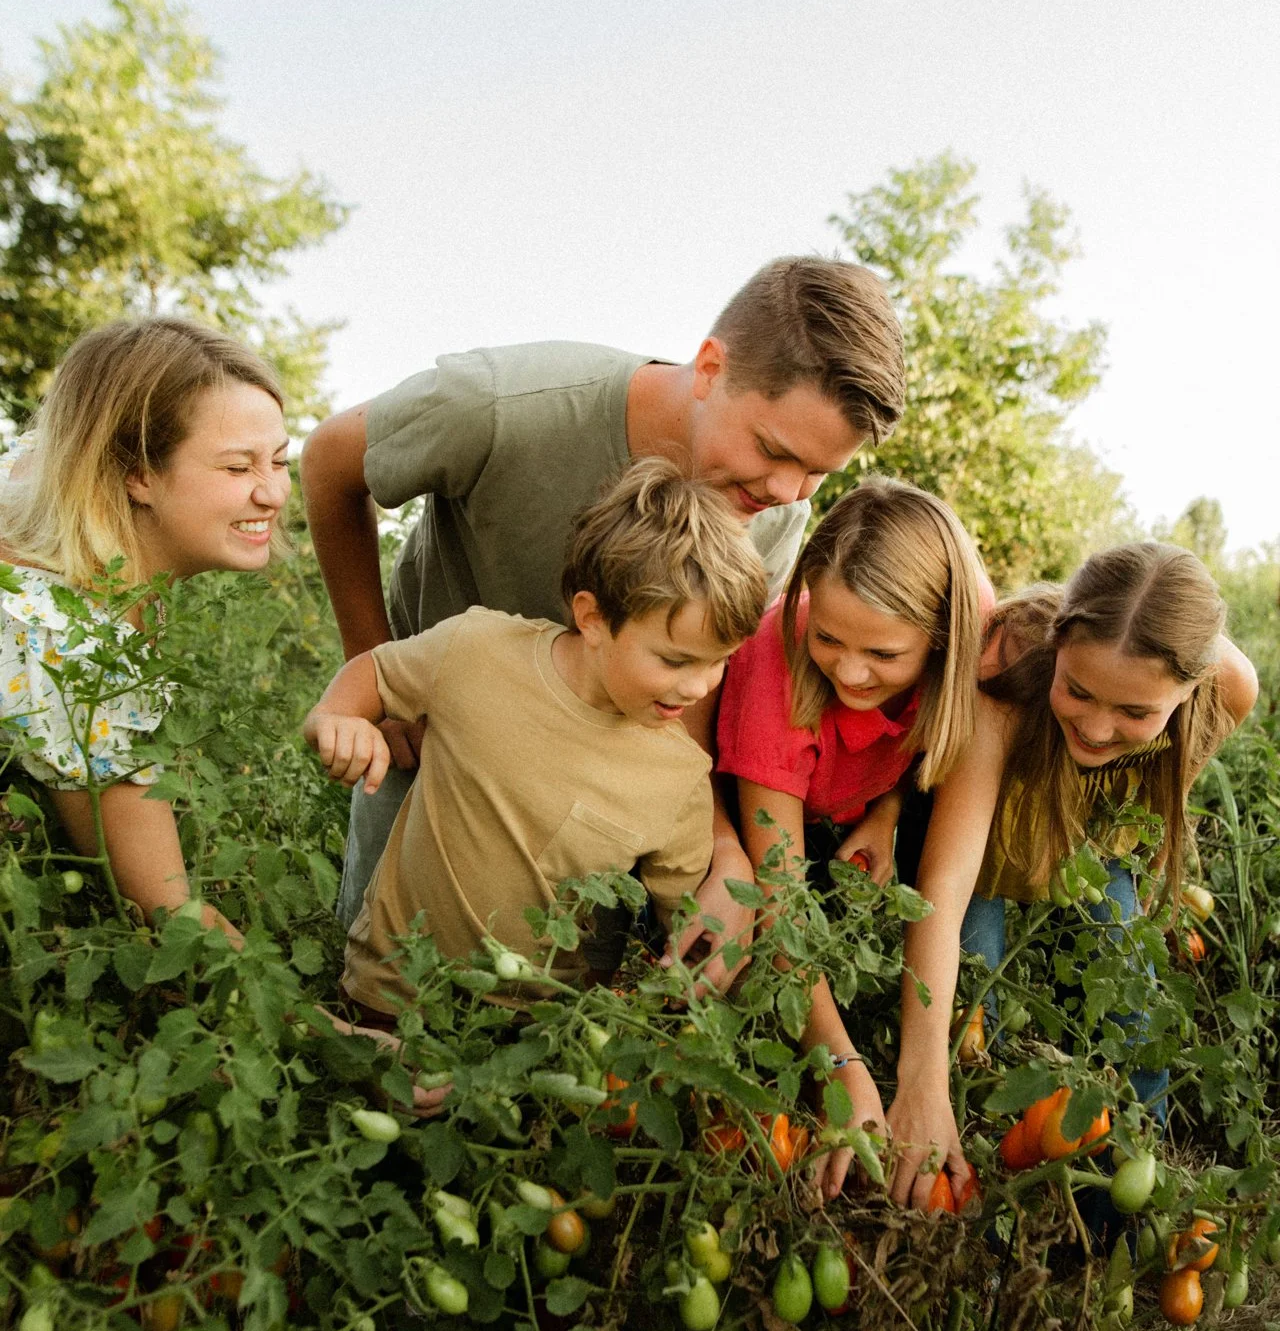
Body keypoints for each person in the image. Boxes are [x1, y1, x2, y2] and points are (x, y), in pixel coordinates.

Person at [299, 257, 905, 986]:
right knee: (384, 983)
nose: (785, 490)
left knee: (555, 1000)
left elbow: (697, 679)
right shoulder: (505, 405)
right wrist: (375, 675)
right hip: (437, 756)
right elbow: (331, 461)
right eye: (774, 450)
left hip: (608, 800)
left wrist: (722, 845)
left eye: (817, 472)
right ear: (711, 367)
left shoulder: (773, 517)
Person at [301, 459, 768, 1023]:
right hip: (388, 992)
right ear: (592, 618)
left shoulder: (679, 774)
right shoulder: (478, 650)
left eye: (719, 662)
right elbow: (374, 673)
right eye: (674, 660)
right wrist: (339, 716)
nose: (698, 687)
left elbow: (692, 916)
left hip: (537, 1030)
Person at [888, 543, 1259, 1210]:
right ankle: (990, 1165)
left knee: (1134, 1002)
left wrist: (1133, 865)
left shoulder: (1227, 685)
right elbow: (943, 890)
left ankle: (1134, 1172)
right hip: (992, 847)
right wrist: (921, 1082)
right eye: (1079, 691)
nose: (1095, 725)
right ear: (1058, 643)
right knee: (974, 999)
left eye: (1136, 713)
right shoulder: (1004, 683)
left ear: (1188, 687)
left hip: (1090, 841)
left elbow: (1170, 781)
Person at [717, 477, 985, 1197]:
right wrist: (843, 1068)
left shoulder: (973, 652)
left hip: (851, 805)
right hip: (759, 817)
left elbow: (944, 879)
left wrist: (892, 808)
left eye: (885, 656)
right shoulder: (778, 666)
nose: (850, 669)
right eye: (828, 638)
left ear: (941, 643)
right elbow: (778, 892)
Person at [0, 318, 291, 938]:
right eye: (238, 469)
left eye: (280, 460)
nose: (272, 494)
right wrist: (334, 1034)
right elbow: (166, 919)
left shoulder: (51, 498)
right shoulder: (72, 647)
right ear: (136, 473)